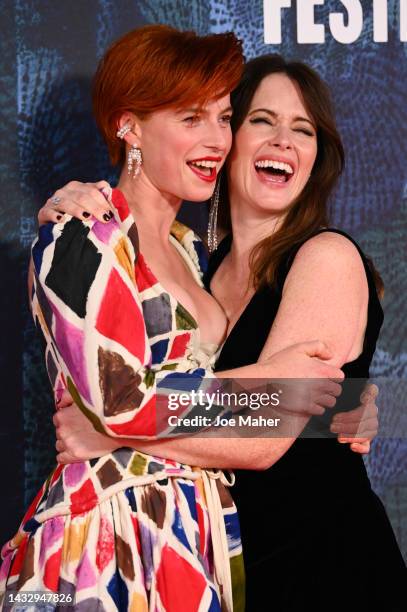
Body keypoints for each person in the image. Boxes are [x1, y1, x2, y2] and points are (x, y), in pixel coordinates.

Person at [0, 28, 359, 612]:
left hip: (194, 539)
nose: (215, 137)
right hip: (104, 537)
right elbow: (121, 398)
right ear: (129, 126)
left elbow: (300, 407)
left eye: (222, 117)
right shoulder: (83, 235)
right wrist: (277, 392)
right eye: (192, 117)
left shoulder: (192, 253)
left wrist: (346, 408)